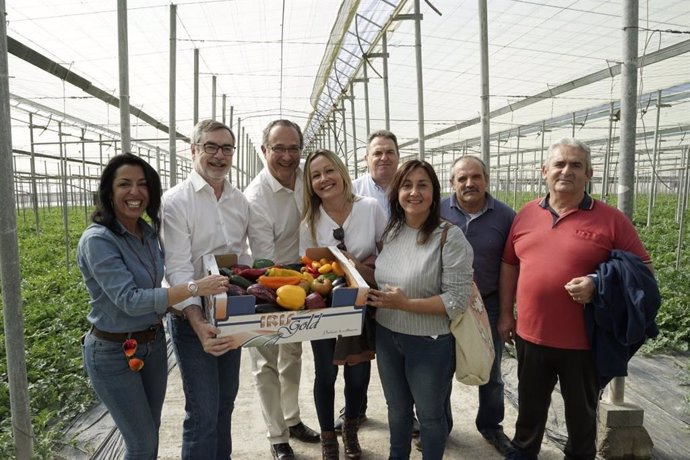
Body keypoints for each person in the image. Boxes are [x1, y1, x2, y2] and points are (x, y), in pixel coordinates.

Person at [498, 138, 652, 459]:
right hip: (531, 338)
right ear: (545, 171)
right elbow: (510, 264)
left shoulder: (611, 220)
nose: (566, 171)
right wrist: (505, 314)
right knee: (529, 416)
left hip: (583, 343)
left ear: (589, 174)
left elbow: (643, 271)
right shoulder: (526, 214)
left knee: (581, 420)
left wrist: (598, 283)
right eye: (559, 164)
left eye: (576, 165)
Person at [77, 153, 230, 459]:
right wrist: (194, 288)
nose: (135, 192)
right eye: (124, 184)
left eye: (142, 184)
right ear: (109, 191)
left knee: (151, 432)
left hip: (152, 344)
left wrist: (195, 313)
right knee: (141, 443)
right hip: (112, 351)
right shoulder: (99, 240)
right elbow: (130, 300)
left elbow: (158, 286)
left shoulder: (147, 234)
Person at [367, 159, 474, 460]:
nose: (414, 192)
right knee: (397, 410)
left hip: (429, 343)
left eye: (422, 185)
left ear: (434, 192)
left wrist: (406, 304)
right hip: (388, 336)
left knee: (429, 416)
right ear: (397, 193)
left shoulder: (449, 237)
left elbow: (456, 300)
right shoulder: (393, 231)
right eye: (406, 185)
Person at [161, 120, 251, 459]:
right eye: (210, 147)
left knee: (224, 406)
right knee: (202, 413)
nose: (219, 155)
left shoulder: (238, 201)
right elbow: (179, 269)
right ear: (194, 149)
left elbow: (240, 261)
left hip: (229, 317)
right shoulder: (176, 201)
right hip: (191, 320)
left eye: (226, 148)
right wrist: (199, 324)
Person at [299, 149, 387, 460]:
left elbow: (385, 252)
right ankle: (328, 438)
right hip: (323, 306)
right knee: (325, 373)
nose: (324, 179)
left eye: (328, 171)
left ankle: (350, 430)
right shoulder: (309, 220)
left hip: (361, 304)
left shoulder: (370, 208)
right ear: (310, 184)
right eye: (316, 175)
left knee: (359, 373)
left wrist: (358, 266)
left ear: (342, 173)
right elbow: (306, 267)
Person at [244, 119, 320, 460]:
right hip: (268, 284)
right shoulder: (256, 196)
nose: (287, 156)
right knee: (265, 362)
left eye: (293, 148)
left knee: (293, 355)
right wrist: (291, 290)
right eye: (279, 148)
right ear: (264, 151)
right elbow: (263, 261)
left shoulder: (309, 177)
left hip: (305, 279)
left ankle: (292, 420)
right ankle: (277, 437)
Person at [440, 155, 515, 455]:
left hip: (489, 302)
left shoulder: (506, 216)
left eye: (476, 177)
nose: (469, 183)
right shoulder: (438, 210)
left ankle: (491, 425)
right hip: (446, 300)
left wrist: (507, 313)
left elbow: (511, 264)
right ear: (452, 183)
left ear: (486, 180)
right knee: (440, 366)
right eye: (462, 178)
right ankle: (439, 425)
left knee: (492, 367)